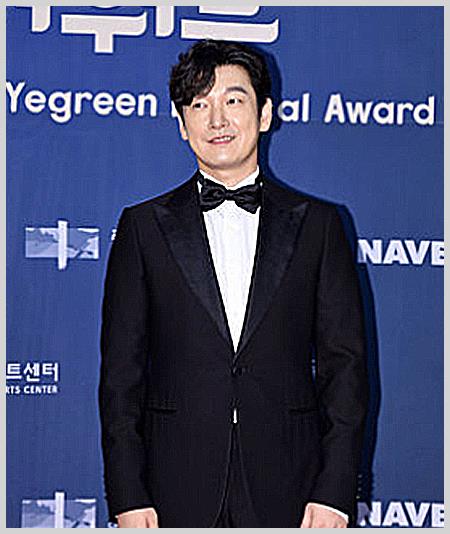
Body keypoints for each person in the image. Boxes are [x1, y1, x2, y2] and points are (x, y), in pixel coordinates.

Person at [99, 39, 368, 528]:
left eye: (233, 100)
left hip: (293, 484)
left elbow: (344, 369)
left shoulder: (319, 227)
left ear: (264, 114)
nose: (217, 119)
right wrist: (127, 494)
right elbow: (120, 377)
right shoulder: (142, 228)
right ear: (182, 125)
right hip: (171, 486)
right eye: (199, 105)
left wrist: (335, 491)